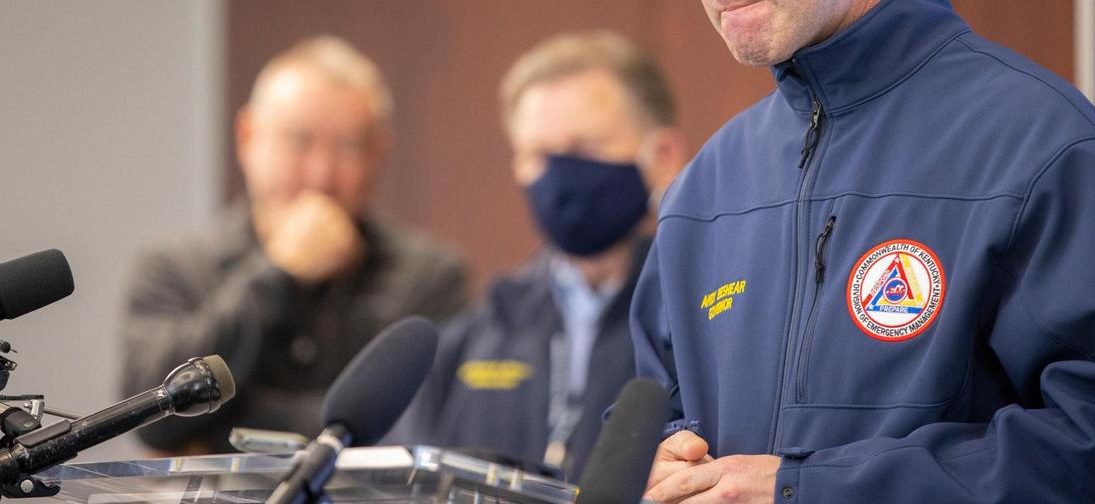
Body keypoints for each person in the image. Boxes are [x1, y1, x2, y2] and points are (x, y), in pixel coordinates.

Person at [630, 0, 1095, 503]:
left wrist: (811, 489)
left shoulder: (1047, 149)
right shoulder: (705, 189)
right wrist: (658, 460)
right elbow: (650, 412)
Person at [122, 35, 467, 454]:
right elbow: (152, 418)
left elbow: (431, 425)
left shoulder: (431, 277)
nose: (321, 175)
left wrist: (227, 424)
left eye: (349, 147)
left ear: (379, 153)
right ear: (248, 137)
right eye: (299, 141)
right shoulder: (174, 267)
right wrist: (278, 272)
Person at [386, 30, 687, 483]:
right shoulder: (477, 336)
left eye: (584, 149)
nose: (560, 177)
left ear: (662, 156)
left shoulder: (702, 321)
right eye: (539, 154)